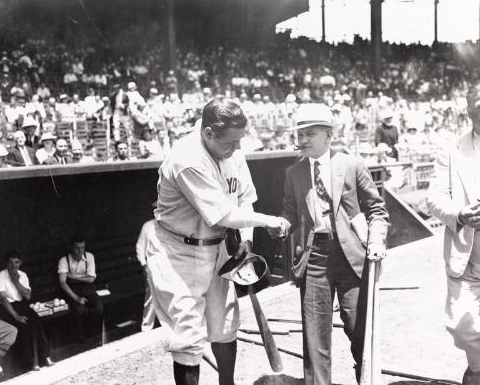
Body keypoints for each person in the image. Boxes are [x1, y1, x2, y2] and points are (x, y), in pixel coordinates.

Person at [145, 97, 284, 385]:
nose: (236, 149)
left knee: (225, 326)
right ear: (208, 133)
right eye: (230, 143)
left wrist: (246, 240)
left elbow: (245, 197)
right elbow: (222, 214)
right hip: (178, 252)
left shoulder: (230, 144)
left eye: (238, 142)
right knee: (189, 338)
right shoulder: (186, 157)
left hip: (219, 247)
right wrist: (267, 221)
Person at [272, 103, 388, 384]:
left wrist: (376, 240)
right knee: (315, 337)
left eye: (309, 134)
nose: (302, 141)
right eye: (299, 135)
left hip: (352, 257)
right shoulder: (294, 173)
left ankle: (367, 379)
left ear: (329, 135)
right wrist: (281, 226)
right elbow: (290, 214)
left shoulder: (352, 164)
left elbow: (377, 211)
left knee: (359, 329)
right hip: (314, 258)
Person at [427, 80, 480, 385]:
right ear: (469, 112)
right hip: (467, 256)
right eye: (478, 109)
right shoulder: (451, 150)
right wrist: (460, 214)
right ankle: (476, 369)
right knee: (463, 326)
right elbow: (434, 198)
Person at [0, 251, 53, 371]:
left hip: (22, 305)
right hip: (7, 309)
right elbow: (3, 299)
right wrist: (16, 316)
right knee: (23, 326)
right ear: (6, 263)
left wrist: (16, 282)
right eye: (10, 263)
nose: (13, 266)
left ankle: (45, 356)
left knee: (36, 320)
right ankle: (31, 362)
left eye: (16, 263)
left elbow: (27, 296)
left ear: (20, 263)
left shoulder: (23, 275)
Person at [58, 236, 103, 341]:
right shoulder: (64, 260)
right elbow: (63, 283)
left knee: (98, 308)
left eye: (82, 247)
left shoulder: (89, 256)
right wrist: (77, 298)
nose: (80, 251)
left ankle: (93, 336)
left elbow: (91, 279)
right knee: (79, 310)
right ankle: (80, 339)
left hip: (88, 288)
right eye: (77, 248)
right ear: (71, 248)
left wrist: (72, 277)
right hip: (72, 289)